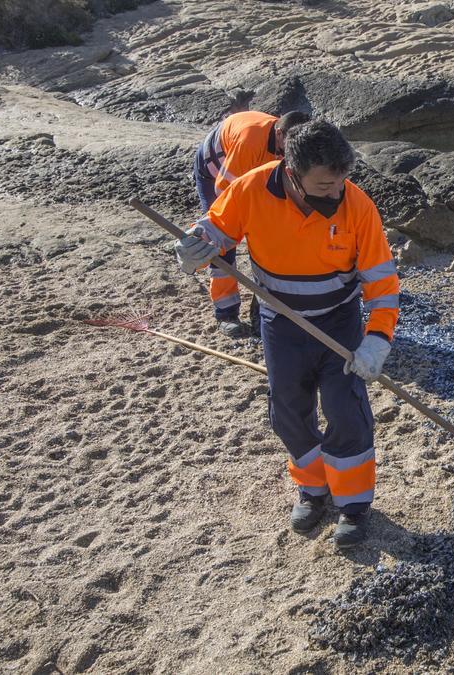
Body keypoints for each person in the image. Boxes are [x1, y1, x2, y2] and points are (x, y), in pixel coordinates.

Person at [175, 118, 400, 547]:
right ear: (291, 173)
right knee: (289, 413)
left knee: (345, 409)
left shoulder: (357, 206)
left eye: (341, 182)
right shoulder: (252, 189)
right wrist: (194, 247)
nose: (336, 194)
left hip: (339, 321)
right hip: (280, 322)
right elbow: (213, 231)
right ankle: (314, 492)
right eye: (324, 187)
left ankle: (353, 505)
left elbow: (383, 285)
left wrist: (377, 339)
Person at [193, 110, 309, 337]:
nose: (295, 151)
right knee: (222, 242)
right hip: (214, 172)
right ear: (279, 134)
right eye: (291, 145)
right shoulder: (250, 142)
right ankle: (226, 313)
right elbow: (225, 193)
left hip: (252, 172)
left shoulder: (294, 145)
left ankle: (265, 307)